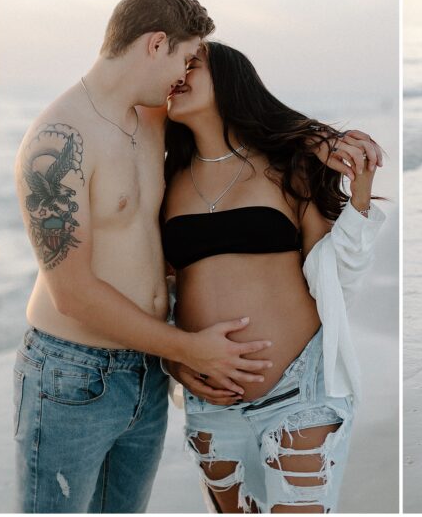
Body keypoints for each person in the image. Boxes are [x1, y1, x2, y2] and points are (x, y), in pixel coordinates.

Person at [12, 0, 375, 513]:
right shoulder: (58, 142)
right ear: (156, 45)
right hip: (76, 372)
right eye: (185, 58)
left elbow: (245, 116)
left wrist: (318, 142)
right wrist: (185, 352)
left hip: (152, 366)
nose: (183, 74)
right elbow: (74, 294)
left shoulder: (154, 123)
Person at [161, 41, 385, 514]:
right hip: (209, 399)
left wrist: (360, 197)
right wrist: (175, 364)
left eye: (192, 65)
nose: (177, 75)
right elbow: (155, 295)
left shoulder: (289, 168)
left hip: (300, 393)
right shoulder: (164, 180)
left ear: (230, 79)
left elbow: (337, 271)